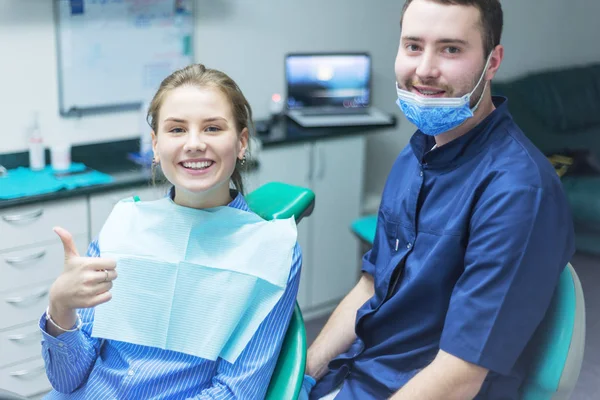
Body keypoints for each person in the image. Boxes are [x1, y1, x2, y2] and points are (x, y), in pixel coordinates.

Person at [302, 1, 575, 399]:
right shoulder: (417, 153)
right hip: (360, 373)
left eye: (451, 49)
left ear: (492, 61)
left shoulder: (518, 192)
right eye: (413, 46)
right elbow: (370, 287)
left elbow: (460, 375)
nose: (425, 69)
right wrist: (301, 376)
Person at [40, 64, 302, 399]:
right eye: (177, 130)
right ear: (156, 145)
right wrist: (61, 308)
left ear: (241, 143)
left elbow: (236, 393)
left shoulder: (272, 251)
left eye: (212, 128)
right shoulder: (123, 228)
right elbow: (68, 380)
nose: (194, 144)